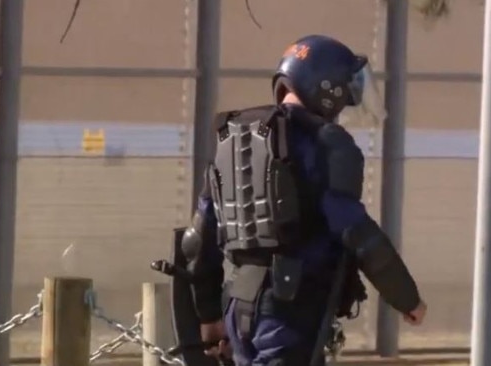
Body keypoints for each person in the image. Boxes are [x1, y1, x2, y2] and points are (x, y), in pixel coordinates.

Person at [179, 34, 427, 366]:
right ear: (326, 90)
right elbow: (356, 231)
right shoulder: (328, 145)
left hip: (238, 310)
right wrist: (406, 298)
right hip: (290, 315)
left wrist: (209, 316)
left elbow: (199, 238)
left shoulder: (234, 138)